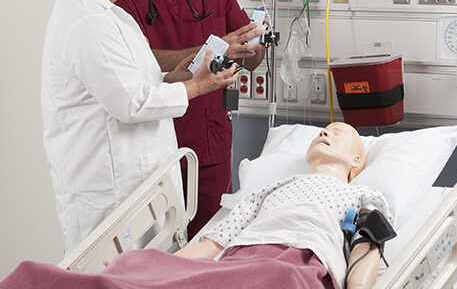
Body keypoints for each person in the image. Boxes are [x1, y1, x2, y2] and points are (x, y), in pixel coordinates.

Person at [41, 0, 237, 254]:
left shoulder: (105, 14)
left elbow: (127, 82)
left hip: (137, 192)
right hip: (109, 196)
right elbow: (130, 102)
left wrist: (171, 77)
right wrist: (196, 88)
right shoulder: (87, 22)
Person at [0, 122, 394, 289]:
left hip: (297, 264)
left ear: (358, 161)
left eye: (338, 134)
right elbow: (211, 245)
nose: (325, 132)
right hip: (239, 261)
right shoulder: (270, 188)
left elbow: (366, 247)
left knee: (280, 281)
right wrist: (153, 269)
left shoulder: (362, 197)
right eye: (324, 130)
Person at [115, 0, 266, 239]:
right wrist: (210, 48)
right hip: (151, 145)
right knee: (155, 248)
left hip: (208, 142)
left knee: (208, 242)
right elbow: (135, 60)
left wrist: (253, 45)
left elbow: (252, 59)